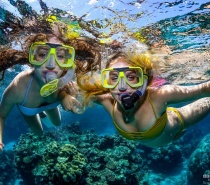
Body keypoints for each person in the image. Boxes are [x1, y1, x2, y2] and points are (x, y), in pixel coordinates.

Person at [63, 48, 210, 147]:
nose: (121, 86)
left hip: (179, 122)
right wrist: (66, 95)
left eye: (131, 77)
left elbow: (203, 89)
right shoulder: (106, 100)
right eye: (114, 78)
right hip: (160, 139)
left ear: (144, 80)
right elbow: (71, 87)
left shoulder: (160, 95)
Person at [0, 25, 80, 151]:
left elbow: (77, 102)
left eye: (59, 56)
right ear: (32, 56)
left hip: (51, 103)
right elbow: (1, 115)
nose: (51, 64)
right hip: (29, 108)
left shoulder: (67, 79)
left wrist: (67, 96)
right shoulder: (19, 86)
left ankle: (43, 113)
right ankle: (40, 114)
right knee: (39, 133)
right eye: (43, 54)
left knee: (57, 123)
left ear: (67, 60)